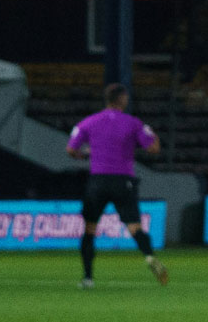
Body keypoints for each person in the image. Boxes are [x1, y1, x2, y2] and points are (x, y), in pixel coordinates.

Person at [64, 83, 168, 288]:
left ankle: (87, 278)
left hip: (98, 181)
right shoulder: (133, 123)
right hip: (123, 181)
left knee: (90, 229)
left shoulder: (89, 122)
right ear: (122, 99)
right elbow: (153, 149)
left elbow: (70, 149)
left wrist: (85, 154)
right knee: (134, 227)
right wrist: (154, 136)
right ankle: (149, 257)